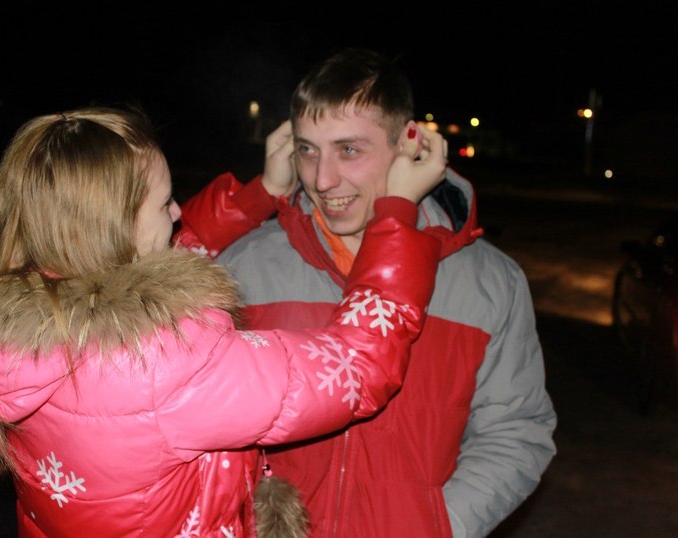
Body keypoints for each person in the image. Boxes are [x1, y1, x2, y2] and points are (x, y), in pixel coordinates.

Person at [0, 104, 448, 537]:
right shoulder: (169, 362)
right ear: (110, 229)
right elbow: (356, 368)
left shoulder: (1, 322)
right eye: (165, 201)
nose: (177, 215)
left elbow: (146, 272)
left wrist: (259, 192)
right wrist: (396, 212)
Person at [195, 48, 558, 537]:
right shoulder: (246, 267)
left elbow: (515, 433)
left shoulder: (490, 282)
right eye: (307, 149)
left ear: (409, 145)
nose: (322, 180)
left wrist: (436, 526)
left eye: (349, 150)